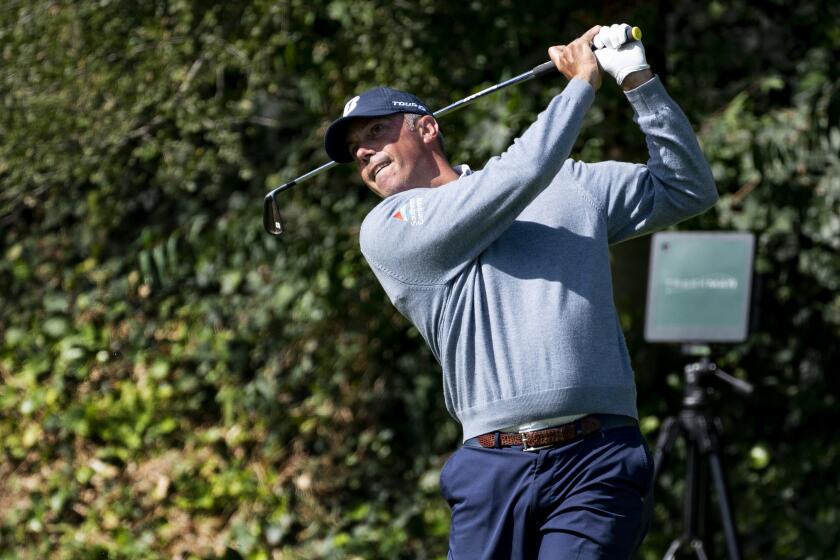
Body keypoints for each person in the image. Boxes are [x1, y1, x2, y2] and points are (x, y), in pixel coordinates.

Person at [322, 24, 718, 559]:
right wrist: (580, 85)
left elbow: (686, 188)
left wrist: (636, 79)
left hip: (597, 460)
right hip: (491, 468)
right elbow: (518, 176)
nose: (364, 154)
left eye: (375, 133)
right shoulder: (389, 228)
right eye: (354, 150)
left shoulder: (570, 184)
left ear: (428, 129)